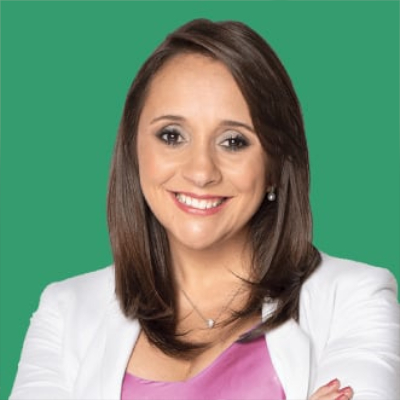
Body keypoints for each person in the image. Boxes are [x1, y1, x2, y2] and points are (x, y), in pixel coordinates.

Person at [10, 19, 399, 400]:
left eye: (233, 141)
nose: (200, 172)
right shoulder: (65, 311)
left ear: (276, 164)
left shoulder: (356, 298)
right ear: (133, 149)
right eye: (172, 135)